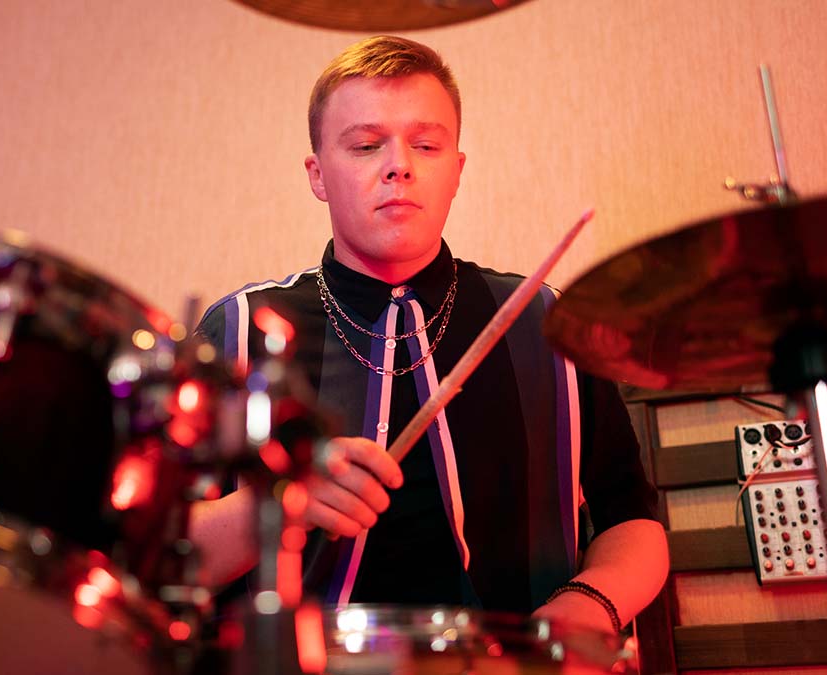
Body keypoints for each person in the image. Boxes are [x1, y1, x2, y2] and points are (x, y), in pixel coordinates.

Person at [189, 35, 668, 636]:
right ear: (318, 175)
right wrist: (280, 503)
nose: (400, 166)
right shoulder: (239, 331)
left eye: (426, 145)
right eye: (366, 145)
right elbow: (163, 557)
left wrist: (590, 603)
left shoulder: (548, 322)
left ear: (456, 171)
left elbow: (633, 521)